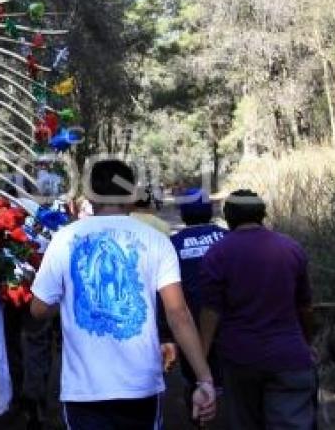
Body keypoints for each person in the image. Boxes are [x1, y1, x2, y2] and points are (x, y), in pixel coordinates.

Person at [30, 159, 216, 429]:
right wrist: (204, 379)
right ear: (131, 195)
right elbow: (178, 314)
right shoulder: (156, 241)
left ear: (90, 196)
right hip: (140, 386)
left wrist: (69, 298)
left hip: (85, 389)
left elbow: (38, 309)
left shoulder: (64, 239)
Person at [199, 190, 316, 429]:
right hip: (290, 357)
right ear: (263, 214)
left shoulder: (217, 254)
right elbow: (305, 307)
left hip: (240, 359)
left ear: (228, 216)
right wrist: (307, 343)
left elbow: (211, 311)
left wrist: (201, 358)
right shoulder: (291, 248)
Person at [170, 188, 227, 418]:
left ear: (183, 213)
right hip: (229, 326)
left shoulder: (172, 244)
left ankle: (199, 407)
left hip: (189, 328)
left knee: (197, 376)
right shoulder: (228, 238)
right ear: (211, 210)